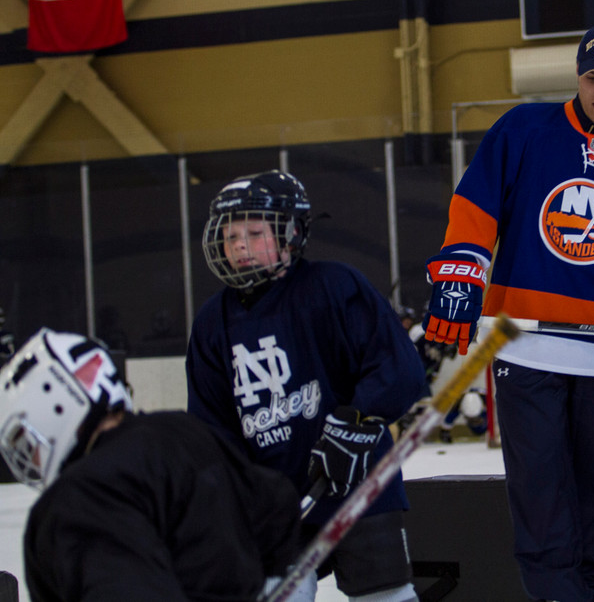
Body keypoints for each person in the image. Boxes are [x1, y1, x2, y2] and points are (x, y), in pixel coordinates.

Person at [421, 22, 594, 601]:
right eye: (591, 78)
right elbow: (475, 208)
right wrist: (460, 272)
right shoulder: (524, 130)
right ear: (578, 75)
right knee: (543, 511)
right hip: (526, 350)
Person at [185, 170, 428, 602]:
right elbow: (211, 427)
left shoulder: (335, 286)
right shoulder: (210, 324)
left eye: (255, 231)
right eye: (231, 234)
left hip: (360, 491)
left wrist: (356, 422)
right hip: (275, 508)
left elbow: (398, 368)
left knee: (385, 595)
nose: (240, 244)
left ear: (291, 232)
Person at [0, 328, 304, 602]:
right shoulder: (185, 432)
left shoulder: (80, 497)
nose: (31, 456)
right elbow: (276, 513)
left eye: (26, 440)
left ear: (56, 404)